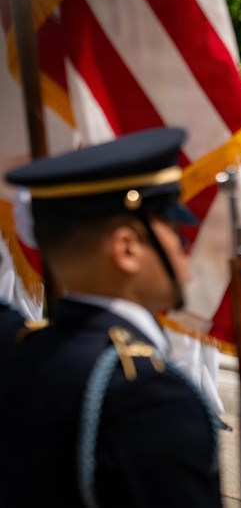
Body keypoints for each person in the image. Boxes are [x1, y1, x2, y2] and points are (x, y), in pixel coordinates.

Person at [0, 127, 222, 507]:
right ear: (126, 248)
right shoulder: (150, 396)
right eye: (172, 227)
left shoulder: (20, 352)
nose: (184, 244)